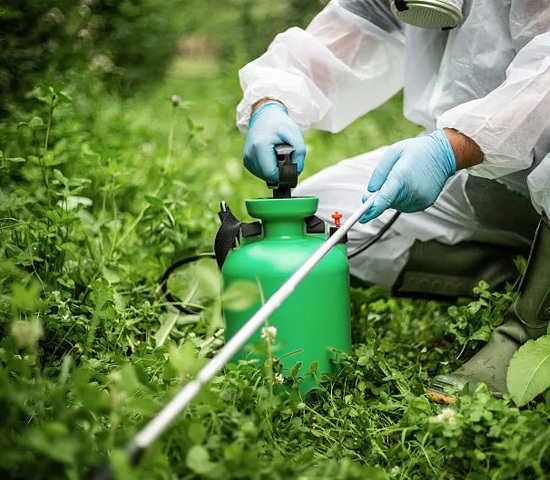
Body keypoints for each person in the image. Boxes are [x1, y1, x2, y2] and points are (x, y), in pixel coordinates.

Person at [235, 0, 550, 404]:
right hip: (475, 171)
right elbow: (340, 35)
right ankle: (518, 274)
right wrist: (272, 102)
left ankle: (529, 331)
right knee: (324, 222)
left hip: (502, 155)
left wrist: (450, 150)